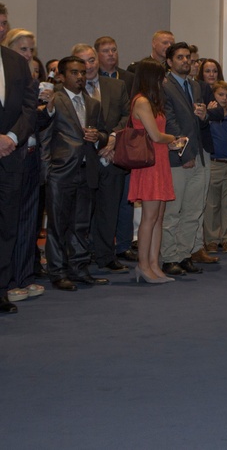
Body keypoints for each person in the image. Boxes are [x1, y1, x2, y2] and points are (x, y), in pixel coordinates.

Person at [38, 56, 110, 291]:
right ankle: (57, 272)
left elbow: (103, 134)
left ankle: (79, 268)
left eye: (82, 72)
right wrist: (47, 170)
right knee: (58, 225)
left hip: (86, 169)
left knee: (81, 224)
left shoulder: (93, 104)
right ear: (61, 76)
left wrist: (97, 137)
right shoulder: (54, 100)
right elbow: (44, 137)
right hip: (60, 171)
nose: (80, 76)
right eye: (74, 72)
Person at [69, 43, 132, 274]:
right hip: (82, 160)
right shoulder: (69, 89)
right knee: (82, 213)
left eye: (92, 60)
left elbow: (128, 116)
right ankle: (79, 258)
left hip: (112, 157)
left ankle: (106, 256)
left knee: (109, 210)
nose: (89, 65)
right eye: (83, 61)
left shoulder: (117, 86)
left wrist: (113, 138)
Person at [128, 60, 186, 283]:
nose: (164, 81)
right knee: (149, 218)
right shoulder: (141, 101)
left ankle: (154, 263)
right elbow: (155, 135)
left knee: (158, 218)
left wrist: (168, 142)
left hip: (160, 161)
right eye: (161, 77)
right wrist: (173, 139)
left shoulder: (151, 101)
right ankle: (143, 265)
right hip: (150, 164)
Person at [161, 41, 214, 276]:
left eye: (188, 58)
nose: (186, 61)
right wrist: (184, 154)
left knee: (195, 210)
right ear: (170, 61)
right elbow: (170, 121)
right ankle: (169, 257)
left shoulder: (196, 86)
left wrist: (204, 116)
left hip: (201, 155)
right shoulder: (164, 85)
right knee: (173, 212)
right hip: (178, 157)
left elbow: (200, 120)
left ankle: (184, 255)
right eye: (180, 57)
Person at [0, 9, 39, 314]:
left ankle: (1, 289)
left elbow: (29, 107)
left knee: (7, 225)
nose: (1, 28)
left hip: (10, 155)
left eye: (3, 24)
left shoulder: (16, 62)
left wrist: (11, 137)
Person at [94, 35, 136, 260]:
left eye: (114, 50)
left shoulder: (128, 78)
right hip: (97, 147)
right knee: (101, 201)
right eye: (106, 51)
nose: (111, 54)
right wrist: (104, 140)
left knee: (125, 199)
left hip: (123, 145)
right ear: (97, 55)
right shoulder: (91, 78)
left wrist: (114, 138)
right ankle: (99, 246)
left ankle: (124, 244)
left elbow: (130, 113)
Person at [203, 81, 227, 253]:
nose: (225, 98)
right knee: (211, 205)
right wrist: (209, 113)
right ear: (213, 96)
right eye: (221, 95)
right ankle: (211, 240)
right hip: (213, 164)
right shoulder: (208, 118)